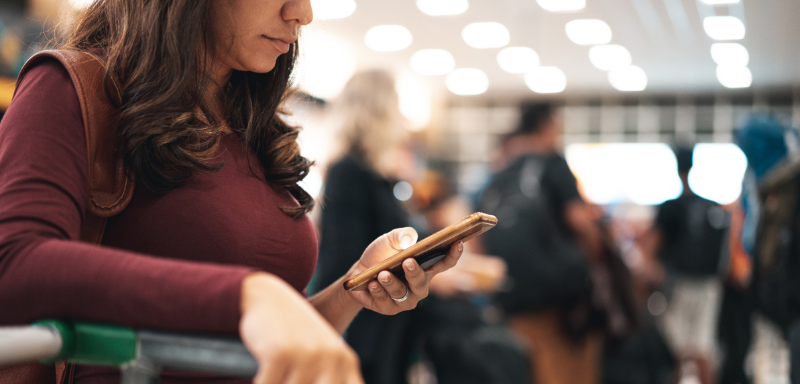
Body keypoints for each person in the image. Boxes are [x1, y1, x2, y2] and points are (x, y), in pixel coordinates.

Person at [0, 2, 464, 384]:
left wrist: (349, 291)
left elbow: (251, 337)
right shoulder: (74, 88)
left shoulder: (251, 129)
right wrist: (247, 294)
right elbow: (16, 263)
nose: (302, 13)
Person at [478, 103, 607, 384]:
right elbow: (579, 222)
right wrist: (596, 262)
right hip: (563, 301)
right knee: (574, 373)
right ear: (547, 126)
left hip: (514, 299)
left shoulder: (498, 176)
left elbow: (480, 239)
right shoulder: (553, 164)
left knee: (533, 371)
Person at [315, 70, 420, 384]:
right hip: (363, 326)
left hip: (384, 321)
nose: (401, 117)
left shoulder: (376, 176)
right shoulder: (349, 173)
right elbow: (343, 260)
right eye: (396, 106)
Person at [640, 146, 730, 384]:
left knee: (674, 348)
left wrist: (650, 270)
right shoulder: (712, 206)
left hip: (677, 283)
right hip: (709, 285)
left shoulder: (671, 207)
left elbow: (651, 245)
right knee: (703, 346)